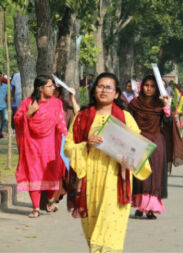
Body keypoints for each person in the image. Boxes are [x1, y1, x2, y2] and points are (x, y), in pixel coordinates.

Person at [64, 72, 151, 252]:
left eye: (108, 87)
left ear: (116, 93)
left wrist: (127, 156)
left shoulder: (125, 118)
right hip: (88, 180)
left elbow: (139, 150)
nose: (103, 90)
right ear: (94, 89)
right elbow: (68, 147)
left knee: (109, 232)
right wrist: (86, 145)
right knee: (92, 230)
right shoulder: (82, 116)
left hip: (115, 179)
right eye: (100, 86)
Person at [14, 75, 67, 218]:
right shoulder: (28, 103)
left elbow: (61, 122)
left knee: (51, 172)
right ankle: (36, 208)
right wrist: (29, 113)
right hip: (32, 146)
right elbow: (17, 121)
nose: (53, 88)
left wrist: (67, 138)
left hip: (50, 145)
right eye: (50, 86)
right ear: (41, 88)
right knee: (34, 175)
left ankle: (50, 201)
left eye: (53, 86)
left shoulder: (56, 103)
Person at [128, 74, 173, 220]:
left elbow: (167, 122)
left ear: (157, 88)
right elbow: (128, 121)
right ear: (142, 87)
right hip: (138, 141)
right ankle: (140, 206)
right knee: (140, 176)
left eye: (152, 86)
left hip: (156, 142)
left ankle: (150, 208)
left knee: (154, 176)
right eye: (146, 85)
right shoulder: (134, 103)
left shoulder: (160, 104)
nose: (149, 88)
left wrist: (167, 107)